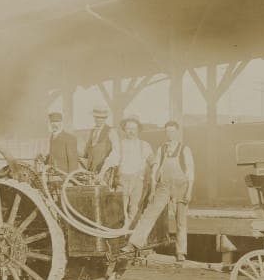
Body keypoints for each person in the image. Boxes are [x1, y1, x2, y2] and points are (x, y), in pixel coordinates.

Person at [119, 120, 195, 265]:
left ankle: (181, 252)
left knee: (181, 221)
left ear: (177, 132)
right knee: (149, 214)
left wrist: (189, 191)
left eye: (172, 132)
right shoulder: (161, 149)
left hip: (181, 186)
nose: (170, 135)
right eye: (167, 132)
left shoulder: (185, 149)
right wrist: (153, 189)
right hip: (164, 186)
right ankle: (133, 243)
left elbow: (190, 171)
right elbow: (154, 171)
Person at [100, 115, 155, 224]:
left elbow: (153, 162)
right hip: (122, 181)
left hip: (138, 182)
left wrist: (154, 175)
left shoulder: (144, 145)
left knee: (134, 210)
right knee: (119, 209)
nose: (131, 131)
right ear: (125, 129)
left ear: (138, 130)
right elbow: (110, 160)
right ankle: (121, 235)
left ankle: (131, 237)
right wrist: (101, 174)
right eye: (129, 128)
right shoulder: (120, 145)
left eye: (134, 129)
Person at [82, 105, 116, 174]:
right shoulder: (92, 131)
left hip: (104, 170)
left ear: (106, 118)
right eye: (97, 117)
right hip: (90, 169)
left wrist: (105, 167)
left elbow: (115, 151)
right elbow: (87, 151)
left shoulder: (111, 131)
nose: (99, 119)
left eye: (102, 117)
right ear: (94, 117)